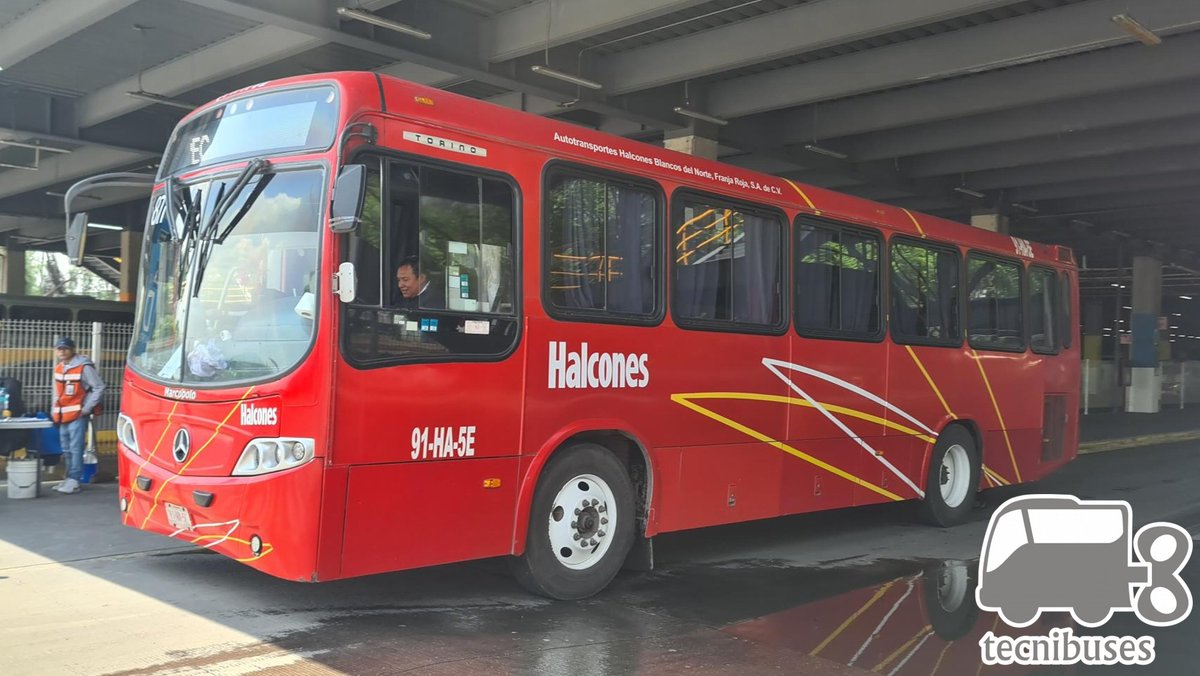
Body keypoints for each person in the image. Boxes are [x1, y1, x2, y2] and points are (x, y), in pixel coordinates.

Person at [51, 337, 105, 494]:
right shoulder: (60, 367)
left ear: (73, 350)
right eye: (59, 348)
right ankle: (69, 478)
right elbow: (57, 393)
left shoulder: (83, 367)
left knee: (75, 448)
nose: (61, 351)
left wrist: (86, 409)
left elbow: (99, 387)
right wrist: (54, 410)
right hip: (63, 415)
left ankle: (74, 479)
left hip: (77, 414)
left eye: (65, 348)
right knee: (67, 448)